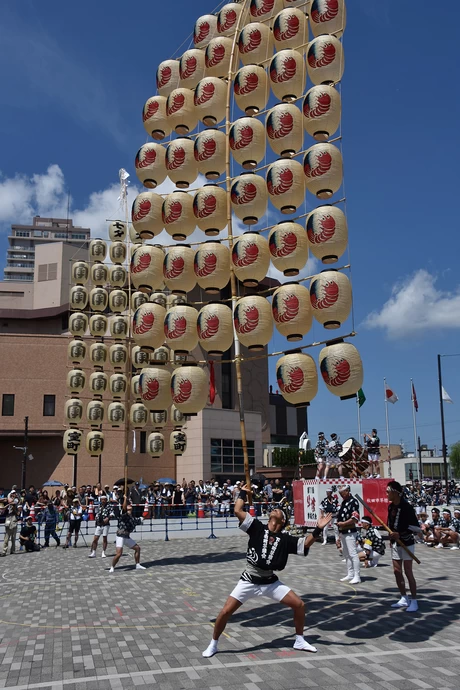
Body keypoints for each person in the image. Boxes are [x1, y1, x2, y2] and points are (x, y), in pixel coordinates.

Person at [202, 484, 332, 658]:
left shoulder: (285, 539)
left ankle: (299, 640)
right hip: (249, 579)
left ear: (282, 520)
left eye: (279, 510)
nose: (275, 510)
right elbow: (238, 510)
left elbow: (306, 543)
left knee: (299, 605)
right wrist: (242, 492)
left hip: (270, 582)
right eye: (275, 509)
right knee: (225, 612)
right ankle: (214, 644)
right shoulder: (257, 527)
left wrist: (318, 529)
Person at [387, 480, 421, 612]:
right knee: (396, 571)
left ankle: (414, 600)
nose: (387, 494)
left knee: (408, 572)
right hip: (396, 543)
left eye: (388, 491)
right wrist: (391, 535)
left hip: (406, 542)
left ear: (395, 493)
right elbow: (390, 524)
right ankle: (403, 597)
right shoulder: (391, 507)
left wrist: (399, 534)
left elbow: (415, 528)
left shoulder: (407, 507)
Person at [109, 496, 145, 573]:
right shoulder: (123, 515)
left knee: (137, 548)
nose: (129, 505)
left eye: (130, 505)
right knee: (119, 554)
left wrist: (143, 517)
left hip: (127, 537)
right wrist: (125, 498)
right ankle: (112, 567)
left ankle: (137, 564)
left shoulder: (133, 518)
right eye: (128, 505)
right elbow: (124, 508)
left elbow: (140, 519)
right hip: (120, 536)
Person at [336, 485, 361, 584]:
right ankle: (350, 573)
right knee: (346, 554)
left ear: (347, 491)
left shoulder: (353, 502)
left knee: (353, 554)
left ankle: (357, 575)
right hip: (343, 531)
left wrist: (344, 523)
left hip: (350, 532)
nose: (341, 495)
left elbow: (355, 518)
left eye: (342, 493)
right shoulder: (344, 502)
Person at [1, 491, 20, 556]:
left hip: (14, 520)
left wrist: (13, 506)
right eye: (12, 494)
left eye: (14, 493)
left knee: (13, 538)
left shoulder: (17, 501)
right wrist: (7, 505)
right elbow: (3, 510)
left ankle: (13, 550)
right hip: (8, 520)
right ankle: (4, 551)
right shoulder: (7, 502)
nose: (13, 495)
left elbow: (18, 513)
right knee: (6, 538)